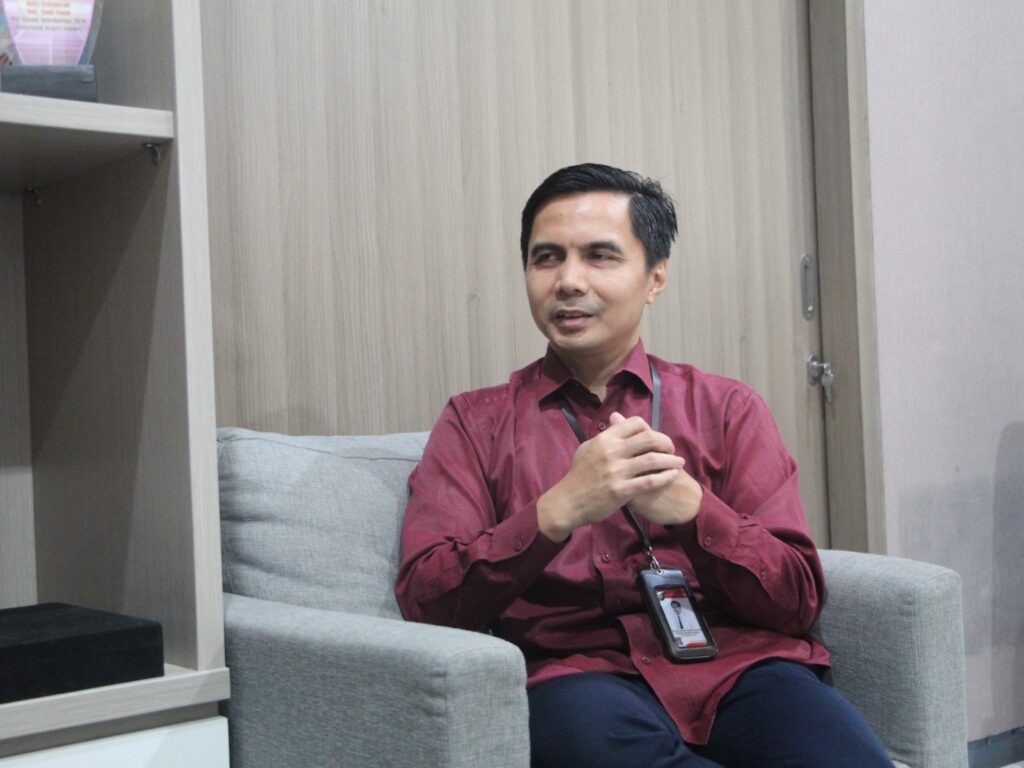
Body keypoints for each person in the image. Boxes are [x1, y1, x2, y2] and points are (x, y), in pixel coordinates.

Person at [395, 163, 892, 767]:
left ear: (655, 278)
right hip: (576, 678)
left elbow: (797, 601)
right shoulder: (476, 423)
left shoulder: (726, 408)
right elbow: (427, 602)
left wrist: (696, 510)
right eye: (546, 258)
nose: (568, 281)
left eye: (600, 256)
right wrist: (555, 512)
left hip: (738, 667)